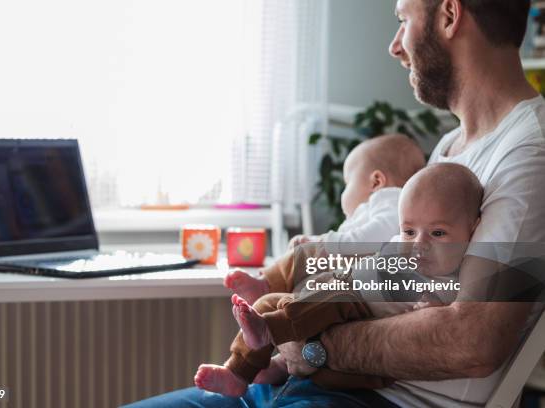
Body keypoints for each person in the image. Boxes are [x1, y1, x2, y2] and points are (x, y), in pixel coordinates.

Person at [124, 0, 545, 406]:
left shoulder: (529, 155)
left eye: (404, 19)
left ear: (450, 15)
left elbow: (471, 341)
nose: (395, 45)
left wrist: (309, 343)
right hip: (317, 385)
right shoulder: (451, 147)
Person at [194, 163, 483, 398]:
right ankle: (238, 372)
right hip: (342, 309)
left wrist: (429, 309)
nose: (419, 243)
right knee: (269, 304)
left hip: (362, 334)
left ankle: (273, 340)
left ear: (472, 229)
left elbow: (439, 318)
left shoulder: (452, 278)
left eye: (438, 234)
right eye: (409, 231)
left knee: (332, 297)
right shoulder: (401, 247)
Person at [224, 133, 426, 304]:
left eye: (347, 183)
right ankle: (269, 292)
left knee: (304, 254)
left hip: (361, 276)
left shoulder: (392, 200)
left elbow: (371, 237)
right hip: (351, 272)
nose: (344, 192)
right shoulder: (377, 206)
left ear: (376, 181)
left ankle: (266, 284)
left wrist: (321, 242)